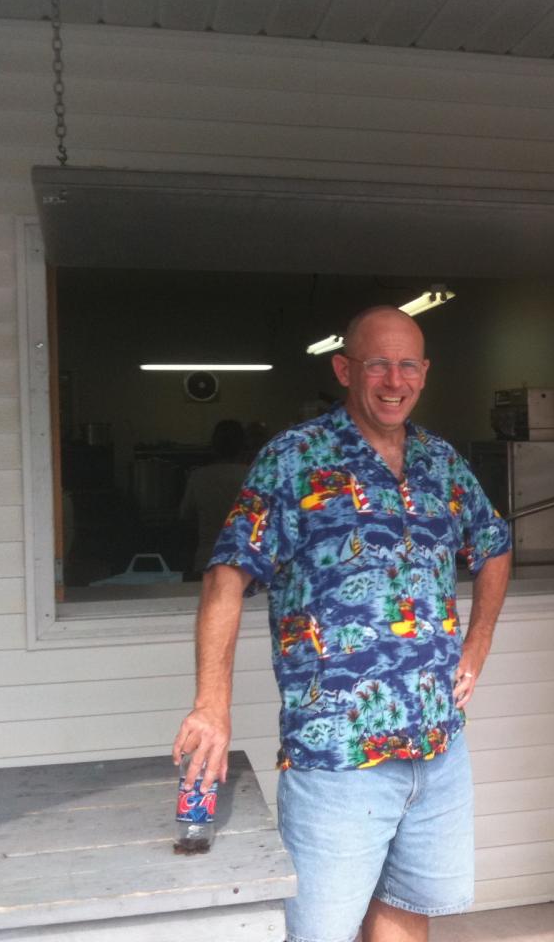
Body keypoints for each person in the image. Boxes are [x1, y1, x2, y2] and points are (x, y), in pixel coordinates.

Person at [172, 306, 512, 942]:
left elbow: (493, 543)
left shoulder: (440, 462)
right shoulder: (295, 459)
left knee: (406, 908)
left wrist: (479, 642)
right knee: (320, 932)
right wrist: (212, 705)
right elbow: (226, 577)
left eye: (407, 365)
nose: (394, 380)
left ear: (425, 372)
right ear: (344, 369)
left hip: (436, 745)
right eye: (378, 363)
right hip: (336, 753)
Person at [178, 418, 248, 575]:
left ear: (214, 447)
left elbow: (185, 516)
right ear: (242, 447)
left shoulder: (199, 477)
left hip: (207, 559)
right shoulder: (252, 476)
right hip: (244, 562)